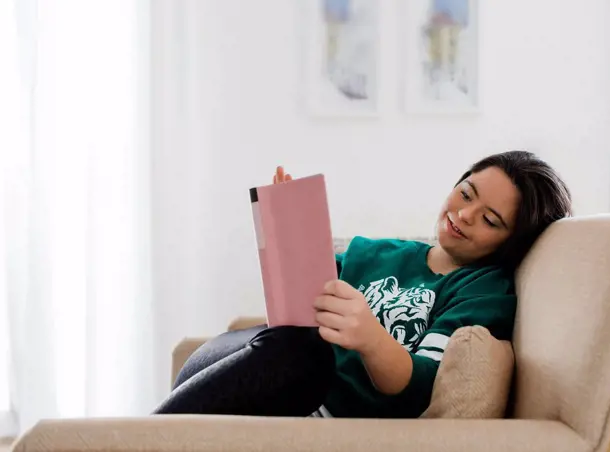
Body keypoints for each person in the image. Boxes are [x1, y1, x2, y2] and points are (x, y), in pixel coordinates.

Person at [153, 150, 572, 418]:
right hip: (276, 368)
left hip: (317, 397)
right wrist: (289, 231)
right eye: (466, 194)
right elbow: (295, 305)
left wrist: (372, 339)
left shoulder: (482, 291)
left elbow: (421, 388)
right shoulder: (378, 251)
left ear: (512, 241)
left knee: (303, 354)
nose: (464, 215)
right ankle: (149, 436)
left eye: (490, 219)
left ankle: (139, 440)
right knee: (255, 343)